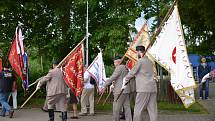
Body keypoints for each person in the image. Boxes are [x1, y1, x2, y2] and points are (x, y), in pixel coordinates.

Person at [122, 45, 157, 121]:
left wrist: (125, 79)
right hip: (153, 88)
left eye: (136, 53)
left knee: (138, 109)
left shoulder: (140, 61)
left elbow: (132, 72)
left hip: (143, 89)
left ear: (139, 52)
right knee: (152, 110)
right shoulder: (150, 62)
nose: (136, 54)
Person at [101, 56, 132, 121]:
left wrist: (104, 85)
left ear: (118, 61)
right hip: (126, 89)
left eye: (114, 62)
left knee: (116, 107)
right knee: (127, 107)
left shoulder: (119, 68)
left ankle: (116, 119)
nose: (114, 64)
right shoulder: (126, 67)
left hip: (119, 90)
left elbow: (113, 77)